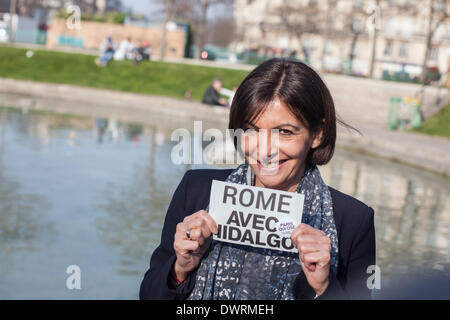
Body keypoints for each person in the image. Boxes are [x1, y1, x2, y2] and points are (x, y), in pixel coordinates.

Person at [140, 58, 376, 300]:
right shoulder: (196, 190)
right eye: (252, 130)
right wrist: (180, 268)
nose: (265, 150)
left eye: (284, 132)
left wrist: (325, 287)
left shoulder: (353, 221)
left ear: (317, 134)